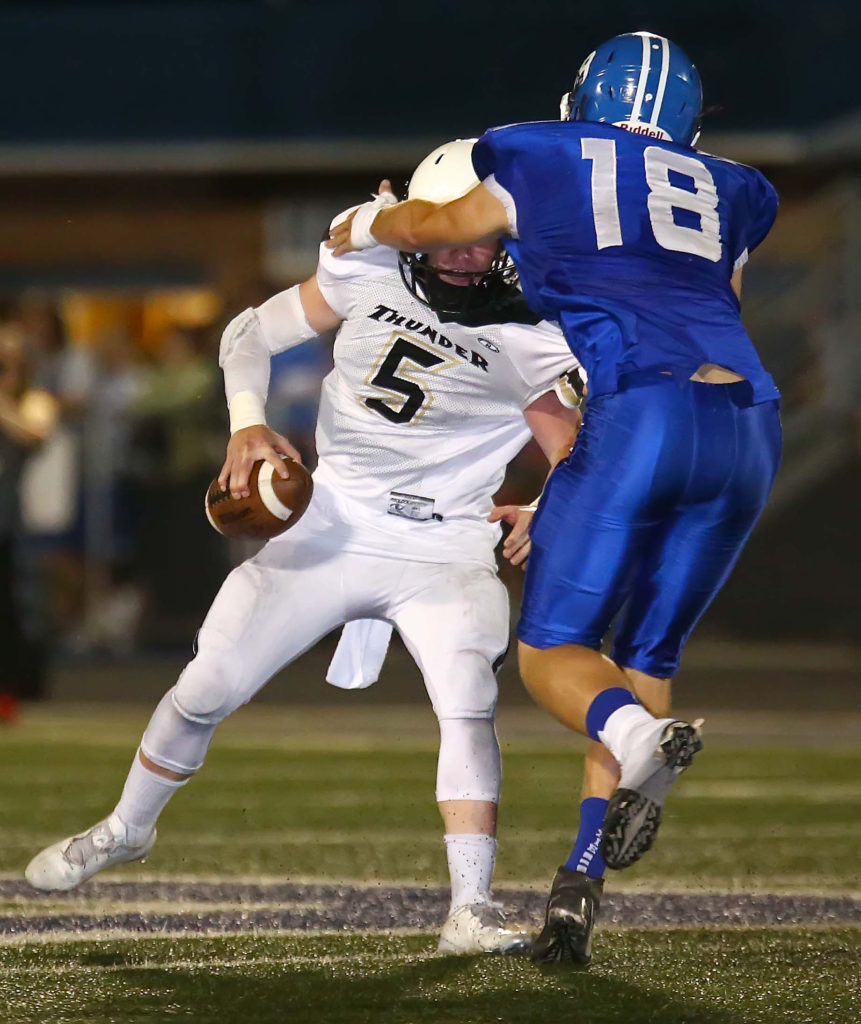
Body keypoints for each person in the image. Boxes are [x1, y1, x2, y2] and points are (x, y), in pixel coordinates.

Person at [26, 140, 584, 955]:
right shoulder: (366, 266)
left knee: (466, 699)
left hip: (444, 540)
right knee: (206, 683)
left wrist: (547, 501)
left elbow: (576, 445)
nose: (469, 254)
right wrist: (247, 421)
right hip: (335, 518)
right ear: (415, 225)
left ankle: (470, 906)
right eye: (452, 234)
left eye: (485, 235)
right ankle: (126, 827)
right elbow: (248, 335)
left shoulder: (535, 325)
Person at [328, 32, 782, 964]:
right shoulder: (738, 190)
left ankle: (640, 738)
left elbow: (441, 227)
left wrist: (363, 227)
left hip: (641, 414)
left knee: (552, 657)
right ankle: (578, 887)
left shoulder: (539, 148)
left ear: (584, 94)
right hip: (746, 425)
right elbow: (710, 300)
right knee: (643, 651)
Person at [0, 324, 59, 721]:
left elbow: (35, 434)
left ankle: (17, 687)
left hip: (8, 517)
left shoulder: (33, 399)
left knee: (17, 603)